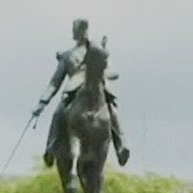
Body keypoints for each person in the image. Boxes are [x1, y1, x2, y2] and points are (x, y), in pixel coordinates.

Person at [33, 18, 131, 167]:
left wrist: (98, 74)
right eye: (74, 29)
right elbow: (55, 82)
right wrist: (42, 103)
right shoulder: (67, 56)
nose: (75, 32)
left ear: (84, 30)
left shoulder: (97, 50)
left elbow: (114, 72)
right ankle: (51, 147)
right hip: (74, 87)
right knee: (59, 111)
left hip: (98, 83)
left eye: (77, 29)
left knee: (112, 108)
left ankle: (121, 145)